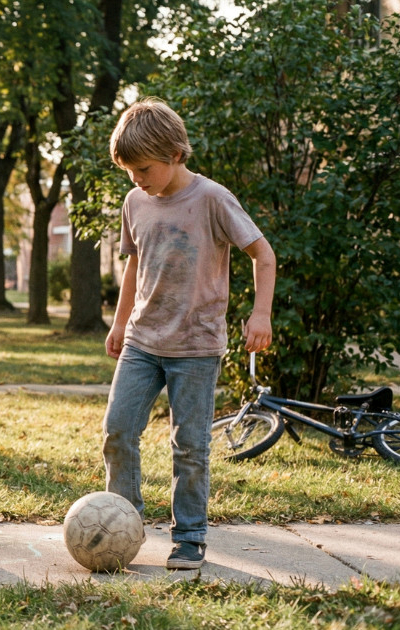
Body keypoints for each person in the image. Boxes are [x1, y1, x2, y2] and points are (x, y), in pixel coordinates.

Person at [103, 97, 276, 570]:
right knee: (117, 431)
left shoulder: (212, 198)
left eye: (144, 168)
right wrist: (120, 323)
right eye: (129, 170)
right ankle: (124, 524)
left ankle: (190, 536)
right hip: (142, 340)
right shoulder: (135, 201)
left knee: (190, 445)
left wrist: (261, 314)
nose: (138, 179)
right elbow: (135, 264)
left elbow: (263, 254)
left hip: (195, 346)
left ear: (176, 154)